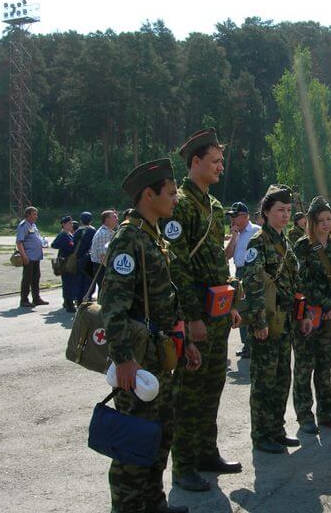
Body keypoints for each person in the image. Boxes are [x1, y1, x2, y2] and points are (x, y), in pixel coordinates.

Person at [101, 157, 199, 513]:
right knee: (132, 444)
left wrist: (184, 341)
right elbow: (113, 306)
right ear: (148, 194)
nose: (175, 199)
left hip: (161, 357)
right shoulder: (129, 239)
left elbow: (163, 300)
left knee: (159, 437)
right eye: (171, 193)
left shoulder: (152, 235)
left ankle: (153, 504)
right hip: (138, 362)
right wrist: (124, 358)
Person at [165, 128, 243, 492]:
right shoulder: (178, 205)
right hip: (197, 316)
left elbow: (215, 262)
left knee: (213, 385)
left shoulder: (211, 206)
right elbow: (178, 266)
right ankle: (183, 466)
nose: (221, 167)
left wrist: (229, 307)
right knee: (189, 392)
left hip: (217, 313)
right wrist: (192, 316)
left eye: (221, 161)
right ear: (195, 163)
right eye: (215, 161)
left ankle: (206, 452)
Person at [242, 184, 312, 453]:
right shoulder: (258, 242)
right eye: (280, 210)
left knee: (282, 378)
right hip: (267, 322)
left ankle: (276, 429)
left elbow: (295, 283)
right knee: (264, 381)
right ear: (266, 212)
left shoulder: (285, 242)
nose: (285, 215)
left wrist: (302, 314)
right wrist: (257, 323)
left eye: (288, 210)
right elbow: (253, 283)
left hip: (286, 321)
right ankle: (261, 435)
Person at [292, 196, 331, 434]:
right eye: (321, 220)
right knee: (305, 366)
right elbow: (302, 282)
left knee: (325, 365)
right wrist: (325, 304)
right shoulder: (302, 247)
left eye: (329, 219)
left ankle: (326, 412)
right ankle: (304, 415)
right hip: (308, 314)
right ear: (312, 223)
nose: (326, 224)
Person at [224, 201, 260, 359]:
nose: (232, 219)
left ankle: (254, 343)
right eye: (231, 216)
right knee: (240, 308)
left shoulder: (256, 231)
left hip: (252, 273)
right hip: (238, 273)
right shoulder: (235, 233)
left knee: (253, 307)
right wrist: (233, 237)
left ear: (245, 216)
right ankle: (246, 344)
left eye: (235, 216)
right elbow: (227, 256)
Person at [15, 206, 48, 308]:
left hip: (36, 257)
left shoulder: (33, 225)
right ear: (28, 215)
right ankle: (24, 300)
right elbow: (19, 242)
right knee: (27, 279)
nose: (36, 216)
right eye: (34, 214)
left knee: (36, 278)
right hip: (29, 257)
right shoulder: (23, 225)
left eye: (36, 214)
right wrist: (24, 256)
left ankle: (36, 298)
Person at [90, 209, 119, 297]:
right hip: (102, 267)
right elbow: (104, 257)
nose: (117, 219)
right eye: (114, 217)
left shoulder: (109, 232)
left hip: (102, 266)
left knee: (104, 291)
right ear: (106, 220)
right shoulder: (104, 233)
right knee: (105, 292)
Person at [51, 215, 77, 312]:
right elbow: (54, 244)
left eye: (72, 223)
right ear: (64, 224)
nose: (72, 225)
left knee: (70, 282)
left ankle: (68, 301)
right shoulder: (63, 235)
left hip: (70, 262)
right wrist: (65, 247)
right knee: (67, 283)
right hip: (65, 262)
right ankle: (68, 303)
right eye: (69, 223)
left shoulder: (70, 234)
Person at [73, 211, 96, 305]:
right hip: (89, 259)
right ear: (91, 221)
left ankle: (79, 300)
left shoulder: (77, 231)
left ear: (81, 220)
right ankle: (87, 300)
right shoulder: (93, 231)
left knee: (79, 281)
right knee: (89, 281)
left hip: (78, 259)